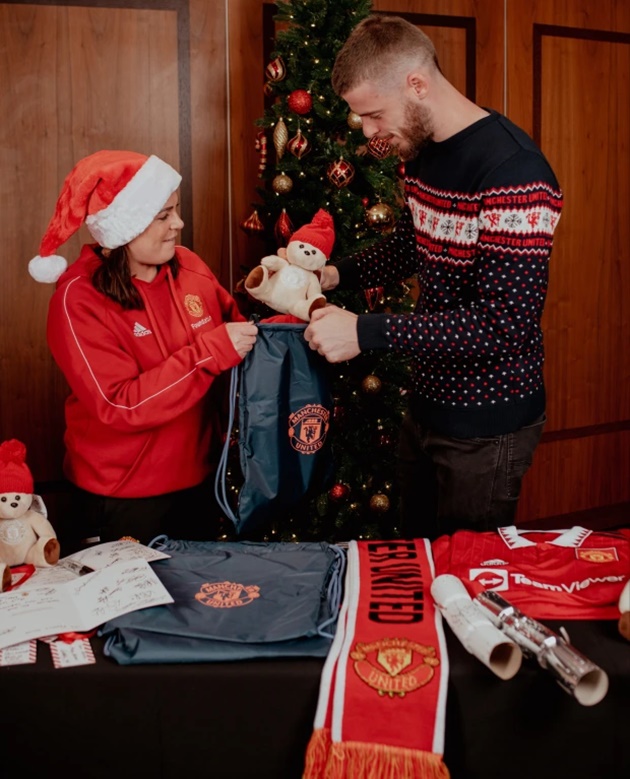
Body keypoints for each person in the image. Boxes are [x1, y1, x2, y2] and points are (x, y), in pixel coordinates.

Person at [304, 15, 563, 540]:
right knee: (418, 557)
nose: (371, 133)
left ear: (416, 85)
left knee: (466, 577)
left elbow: (502, 325)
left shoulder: (514, 171)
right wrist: (332, 273)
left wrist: (364, 331)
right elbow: (411, 245)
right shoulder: (420, 154)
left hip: (487, 425)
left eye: (375, 115)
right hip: (425, 408)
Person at [29, 150, 258, 545]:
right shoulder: (78, 300)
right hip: (125, 502)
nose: (179, 225)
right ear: (125, 227)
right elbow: (120, 404)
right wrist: (209, 353)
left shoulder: (188, 266)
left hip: (203, 484)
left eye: (176, 210)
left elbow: (240, 335)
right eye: (163, 216)